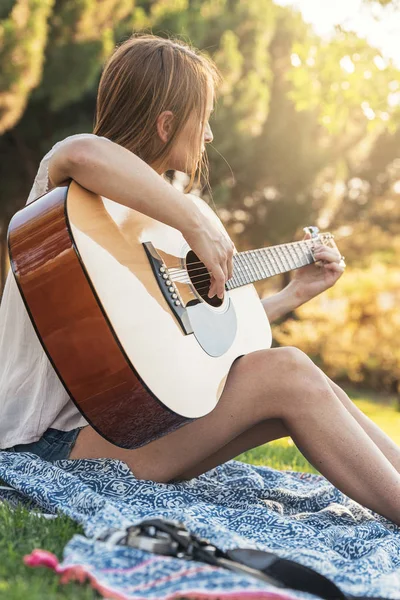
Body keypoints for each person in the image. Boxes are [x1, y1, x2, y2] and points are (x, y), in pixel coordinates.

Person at [1, 34, 400, 526]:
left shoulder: (155, 226)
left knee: (302, 384)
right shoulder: (70, 197)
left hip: (123, 429)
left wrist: (293, 294)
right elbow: (81, 150)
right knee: (288, 372)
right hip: (49, 449)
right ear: (167, 123)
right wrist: (196, 220)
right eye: (203, 118)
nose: (209, 135)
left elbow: (200, 340)